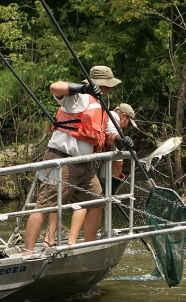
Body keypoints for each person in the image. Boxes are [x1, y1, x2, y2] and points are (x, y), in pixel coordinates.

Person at [23, 66, 134, 255]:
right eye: (108, 86)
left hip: (85, 167)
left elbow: (111, 133)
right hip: (62, 160)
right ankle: (27, 253)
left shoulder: (103, 108)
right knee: (45, 206)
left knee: (97, 201)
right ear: (102, 85)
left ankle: (88, 247)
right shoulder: (78, 97)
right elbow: (54, 87)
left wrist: (122, 141)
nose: (110, 90)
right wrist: (84, 89)